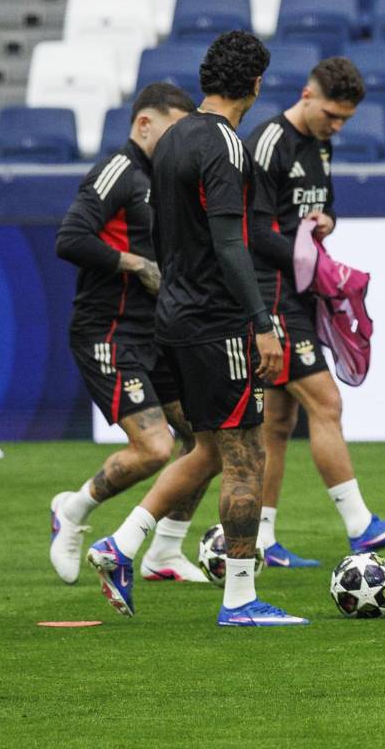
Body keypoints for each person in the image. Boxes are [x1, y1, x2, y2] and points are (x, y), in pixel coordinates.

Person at [86, 31, 307, 627]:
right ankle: (239, 598)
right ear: (256, 85)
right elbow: (231, 243)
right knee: (245, 455)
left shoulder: (172, 140)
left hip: (173, 318)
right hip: (216, 322)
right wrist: (260, 322)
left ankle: (119, 545)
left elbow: (161, 234)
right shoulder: (227, 146)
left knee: (207, 447)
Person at [243, 56, 385, 568]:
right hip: (270, 290)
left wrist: (324, 224)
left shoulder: (320, 142)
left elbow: (323, 208)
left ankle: (262, 539)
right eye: (331, 116)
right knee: (326, 402)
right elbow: (253, 231)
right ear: (306, 95)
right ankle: (360, 525)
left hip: (297, 289)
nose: (336, 126)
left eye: (344, 119)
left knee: (278, 421)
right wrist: (307, 257)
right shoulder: (269, 143)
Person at [52, 82, 212, 586]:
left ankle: (165, 552)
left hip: (160, 333)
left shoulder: (167, 180)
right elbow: (71, 237)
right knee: (154, 449)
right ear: (144, 124)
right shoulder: (117, 172)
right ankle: (73, 512)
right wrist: (136, 263)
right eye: (172, 132)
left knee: (209, 440)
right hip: (109, 332)